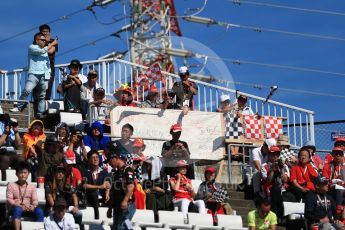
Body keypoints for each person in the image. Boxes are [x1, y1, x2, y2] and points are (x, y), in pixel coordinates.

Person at [10, 32, 58, 117]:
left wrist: (49, 73)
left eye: (44, 40)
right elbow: (42, 51)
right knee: (27, 90)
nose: (44, 41)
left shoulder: (45, 48)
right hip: (34, 74)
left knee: (42, 95)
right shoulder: (32, 47)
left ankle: (40, 112)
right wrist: (53, 43)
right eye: (42, 40)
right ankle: (19, 106)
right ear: (36, 40)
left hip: (44, 75)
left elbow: (48, 56)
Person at [6, 162, 44, 230]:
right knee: (18, 209)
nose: (23, 175)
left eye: (25, 172)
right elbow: (9, 199)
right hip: (16, 209)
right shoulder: (11, 185)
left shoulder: (32, 187)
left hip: (28, 209)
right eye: (21, 172)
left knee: (40, 211)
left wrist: (33, 206)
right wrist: (16, 204)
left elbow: (35, 200)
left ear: (28, 174)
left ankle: (39, 228)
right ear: (16, 174)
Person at [45, 165, 83, 229]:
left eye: (62, 173)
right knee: (51, 212)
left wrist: (76, 206)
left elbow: (74, 195)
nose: (60, 174)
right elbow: (49, 197)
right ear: (55, 173)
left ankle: (77, 228)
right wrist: (57, 208)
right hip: (53, 208)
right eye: (58, 172)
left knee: (79, 213)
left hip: (65, 208)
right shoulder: (49, 184)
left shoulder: (68, 184)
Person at [107, 149, 136, 230]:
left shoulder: (127, 170)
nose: (109, 164)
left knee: (121, 227)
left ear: (115, 158)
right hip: (117, 205)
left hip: (127, 205)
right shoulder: (116, 173)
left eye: (110, 161)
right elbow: (114, 192)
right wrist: (110, 207)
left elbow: (130, 187)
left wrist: (125, 201)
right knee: (120, 226)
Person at [261, 146, 288, 218]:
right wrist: (272, 170)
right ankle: (276, 216)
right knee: (276, 190)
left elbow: (285, 180)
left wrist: (281, 168)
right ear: (269, 154)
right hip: (270, 189)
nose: (275, 156)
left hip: (283, 189)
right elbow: (268, 180)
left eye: (277, 154)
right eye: (273, 154)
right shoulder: (264, 166)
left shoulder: (284, 166)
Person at [82, 150, 111, 219]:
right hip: (89, 200)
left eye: (97, 157)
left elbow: (107, 183)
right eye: (93, 158)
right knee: (94, 193)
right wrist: (100, 186)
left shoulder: (104, 172)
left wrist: (107, 192)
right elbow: (84, 185)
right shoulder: (85, 172)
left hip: (102, 200)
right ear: (88, 160)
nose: (95, 159)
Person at [39, 24, 58, 100]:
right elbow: (39, 51)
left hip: (50, 66)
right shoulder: (37, 41)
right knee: (39, 85)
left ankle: (46, 101)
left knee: (49, 85)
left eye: (47, 31)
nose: (45, 33)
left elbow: (51, 51)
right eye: (43, 32)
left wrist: (48, 42)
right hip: (39, 66)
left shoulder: (53, 41)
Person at [0, 114, 21, 180]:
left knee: (21, 160)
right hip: (1, 153)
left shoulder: (11, 128)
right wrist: (5, 133)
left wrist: (16, 132)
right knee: (5, 159)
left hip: (11, 153)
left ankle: (20, 182)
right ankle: (3, 181)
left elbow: (18, 145)